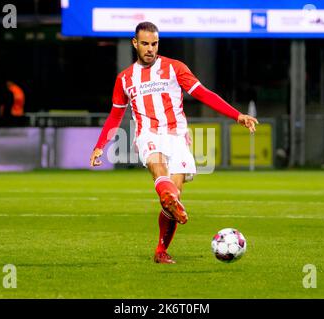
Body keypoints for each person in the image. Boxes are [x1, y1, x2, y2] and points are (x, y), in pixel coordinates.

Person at [90, 22, 258, 264]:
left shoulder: (174, 68)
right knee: (158, 169)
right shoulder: (125, 78)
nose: (150, 48)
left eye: (154, 43)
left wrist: (237, 115)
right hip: (148, 134)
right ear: (135, 43)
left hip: (177, 136)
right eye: (145, 43)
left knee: (174, 195)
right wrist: (100, 146)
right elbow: (116, 114)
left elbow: (203, 93)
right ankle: (168, 200)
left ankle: (161, 249)